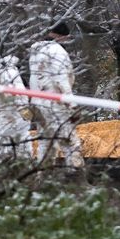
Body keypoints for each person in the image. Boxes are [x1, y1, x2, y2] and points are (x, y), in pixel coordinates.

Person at [29, 19, 84, 168]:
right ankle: (76, 177)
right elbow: (61, 80)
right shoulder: (57, 51)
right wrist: (72, 105)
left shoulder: (35, 51)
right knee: (70, 142)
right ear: (62, 36)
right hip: (55, 104)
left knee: (45, 144)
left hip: (38, 104)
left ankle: (42, 177)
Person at [0, 55, 33, 161]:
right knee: (20, 141)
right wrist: (23, 108)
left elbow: (13, 92)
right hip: (9, 114)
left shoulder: (7, 72)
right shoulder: (5, 72)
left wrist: (22, 108)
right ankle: (25, 165)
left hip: (6, 115)